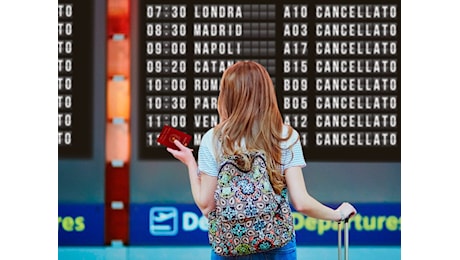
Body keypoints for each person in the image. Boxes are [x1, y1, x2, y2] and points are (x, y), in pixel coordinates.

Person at [167, 60, 357, 259]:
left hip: (229, 246)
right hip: (277, 246)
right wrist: (338, 214)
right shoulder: (284, 136)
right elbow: (301, 202)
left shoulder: (213, 139)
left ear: (227, 95)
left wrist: (190, 163)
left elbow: (206, 206)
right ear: (266, 93)